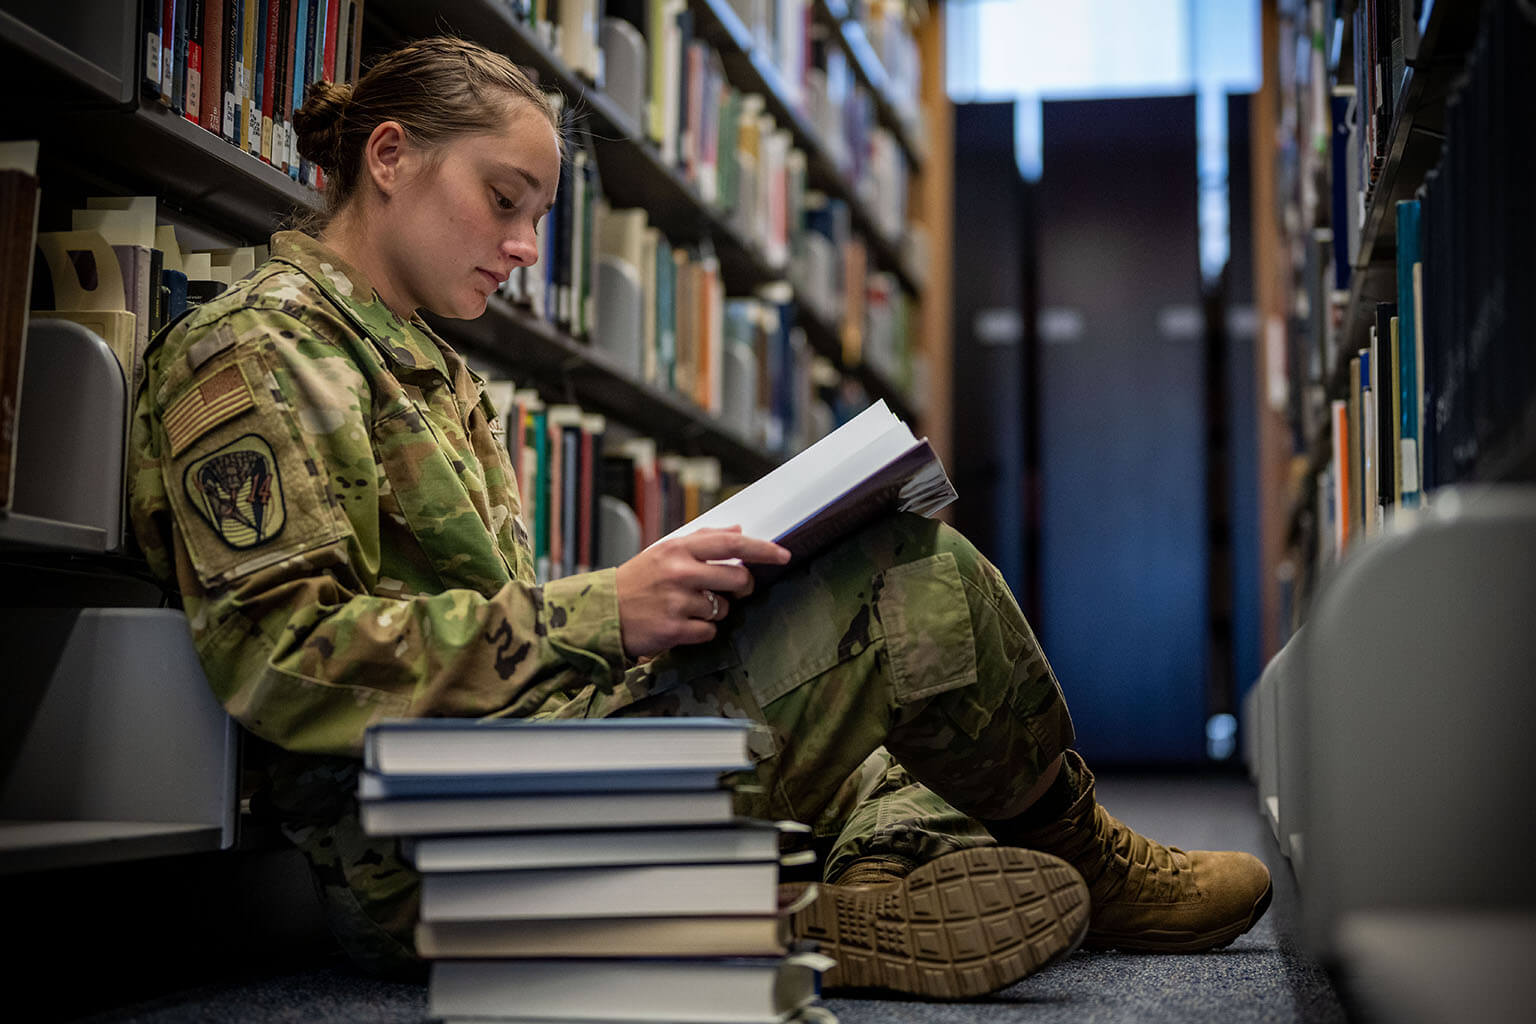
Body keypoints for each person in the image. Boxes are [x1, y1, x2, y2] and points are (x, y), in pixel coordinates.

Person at [127, 36, 1271, 1000]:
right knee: (915, 588)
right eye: (505, 201)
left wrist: (667, 592)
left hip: (521, 779)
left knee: (908, 754)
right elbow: (283, 658)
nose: (526, 248)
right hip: (435, 846)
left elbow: (476, 620)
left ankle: (823, 900)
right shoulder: (255, 352)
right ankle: (1069, 866)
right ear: (390, 158)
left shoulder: (423, 365)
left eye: (537, 216)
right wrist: (600, 611)